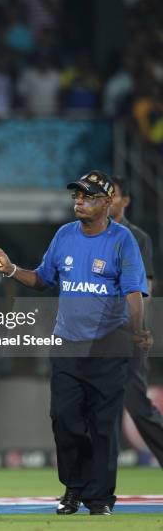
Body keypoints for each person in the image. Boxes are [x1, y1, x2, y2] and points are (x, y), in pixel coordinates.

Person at [0, 170, 150, 516]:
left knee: (103, 425)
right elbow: (42, 279)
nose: (79, 201)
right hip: (66, 344)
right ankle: (73, 489)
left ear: (107, 203)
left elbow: (134, 292)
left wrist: (138, 331)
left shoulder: (123, 241)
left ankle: (101, 499)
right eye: (76, 195)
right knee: (64, 419)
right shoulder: (64, 235)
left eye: (88, 196)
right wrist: (11, 268)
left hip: (108, 345)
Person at [110, 175, 163, 466]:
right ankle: (86, 483)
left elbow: (146, 288)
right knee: (87, 408)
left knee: (137, 404)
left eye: (112, 195)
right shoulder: (87, 236)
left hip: (128, 333)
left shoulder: (137, 238)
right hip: (96, 335)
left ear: (125, 200)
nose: (106, 201)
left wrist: (138, 328)